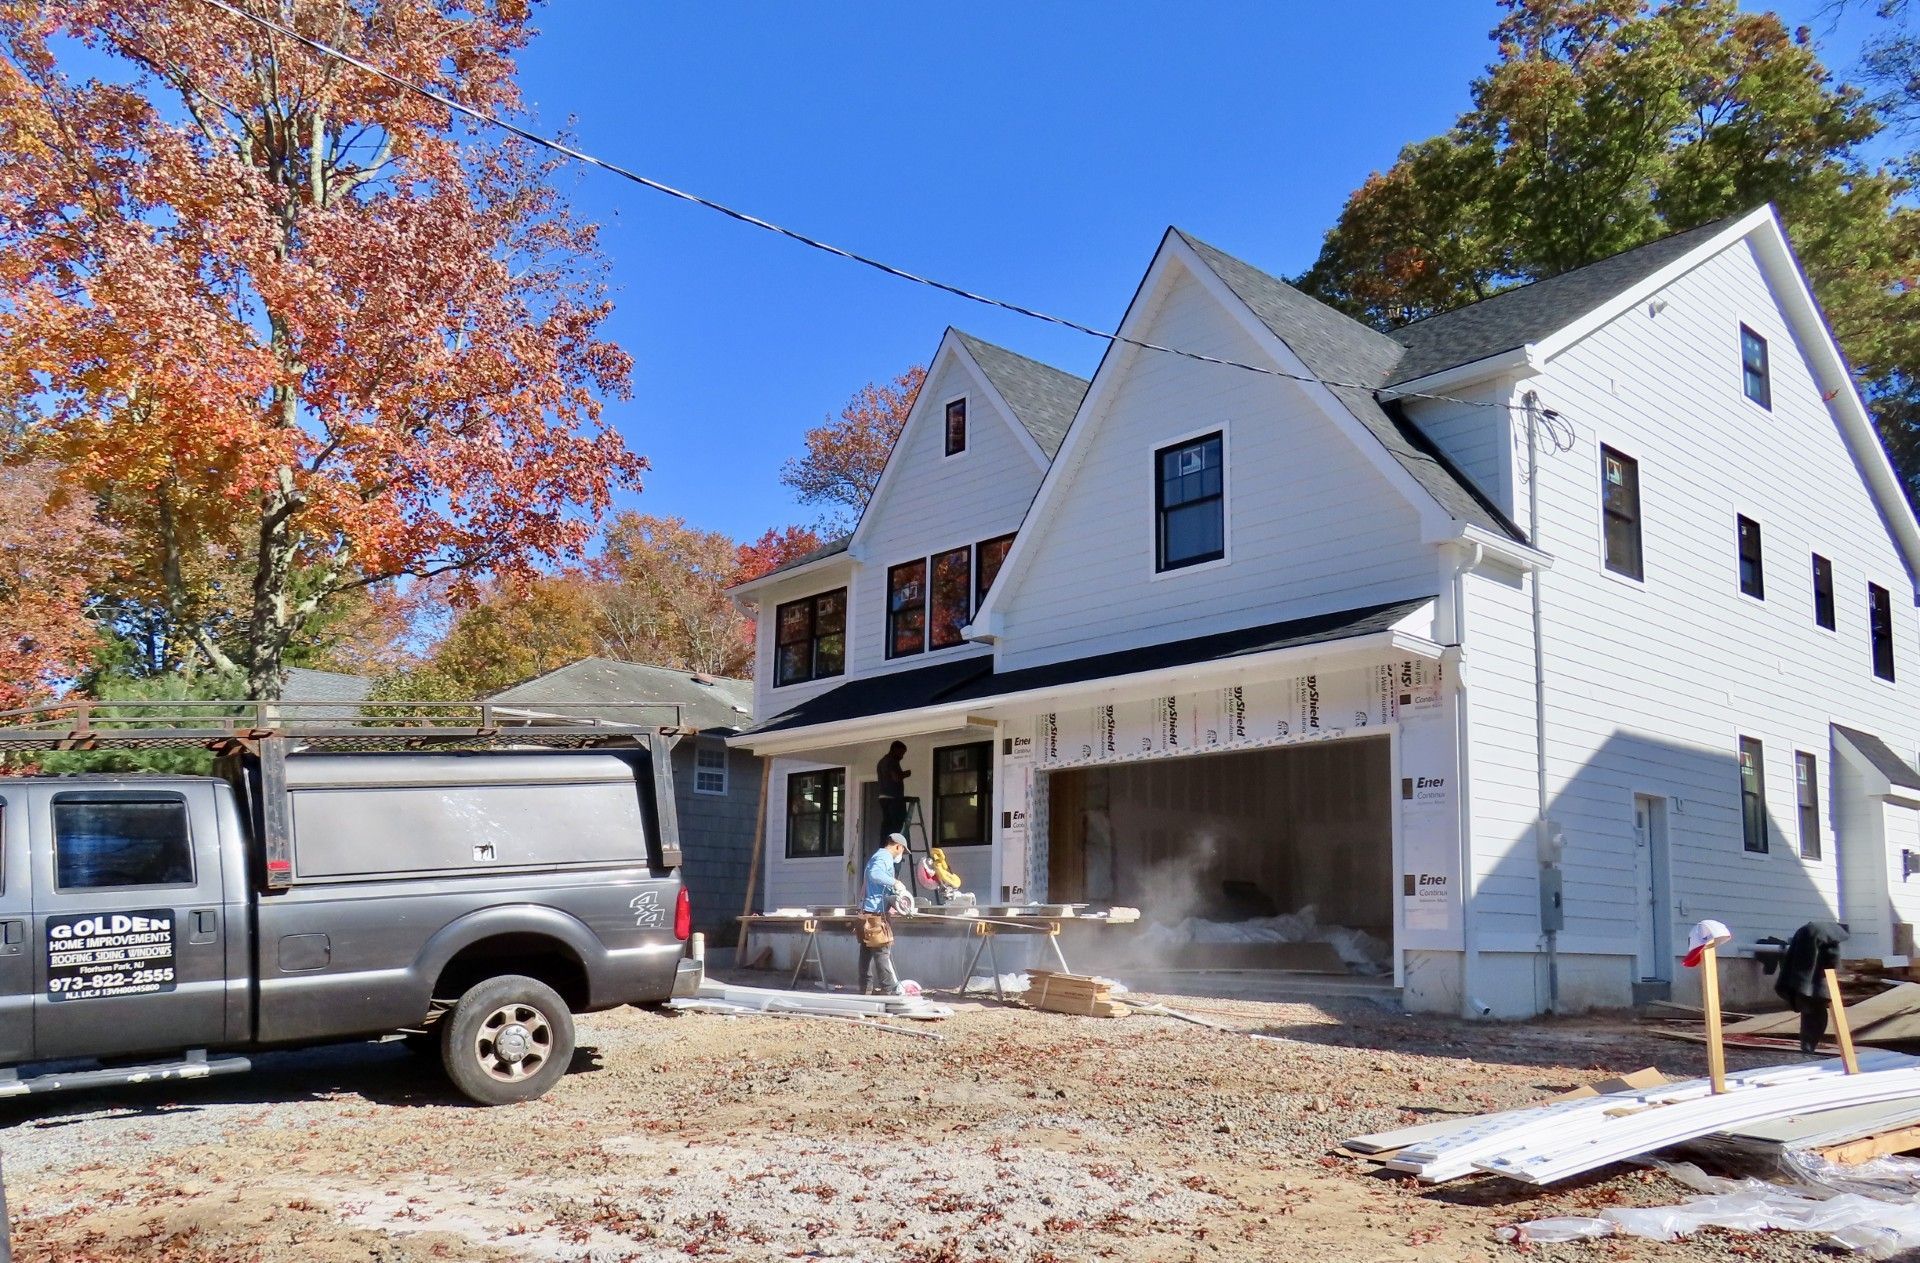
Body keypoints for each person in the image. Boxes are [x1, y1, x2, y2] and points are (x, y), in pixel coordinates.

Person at [859, 834, 909, 995]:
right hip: (876, 914)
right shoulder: (884, 857)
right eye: (902, 851)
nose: (901, 856)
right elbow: (875, 875)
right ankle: (889, 990)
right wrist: (895, 882)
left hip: (866, 911)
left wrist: (893, 894)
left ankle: (865, 989)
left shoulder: (877, 856)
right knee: (882, 952)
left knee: (866, 952)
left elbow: (876, 883)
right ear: (898, 847)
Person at [876, 741, 911, 838]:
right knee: (896, 825)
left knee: (887, 824)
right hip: (893, 798)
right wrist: (906, 774)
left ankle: (884, 846)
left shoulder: (882, 761)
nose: (902, 756)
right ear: (895, 749)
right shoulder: (891, 761)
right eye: (901, 753)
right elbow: (895, 777)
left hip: (883, 797)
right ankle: (893, 846)